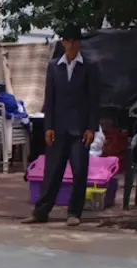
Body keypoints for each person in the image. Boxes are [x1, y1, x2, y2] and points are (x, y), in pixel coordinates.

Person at [22, 25, 101, 227]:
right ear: (63, 42)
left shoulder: (89, 67)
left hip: (80, 129)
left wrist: (91, 127)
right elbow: (50, 98)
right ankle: (41, 211)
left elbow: (94, 100)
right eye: (67, 40)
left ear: (78, 43)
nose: (71, 44)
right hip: (58, 128)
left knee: (79, 171)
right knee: (52, 172)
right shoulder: (54, 66)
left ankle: (74, 212)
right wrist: (48, 127)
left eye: (74, 41)